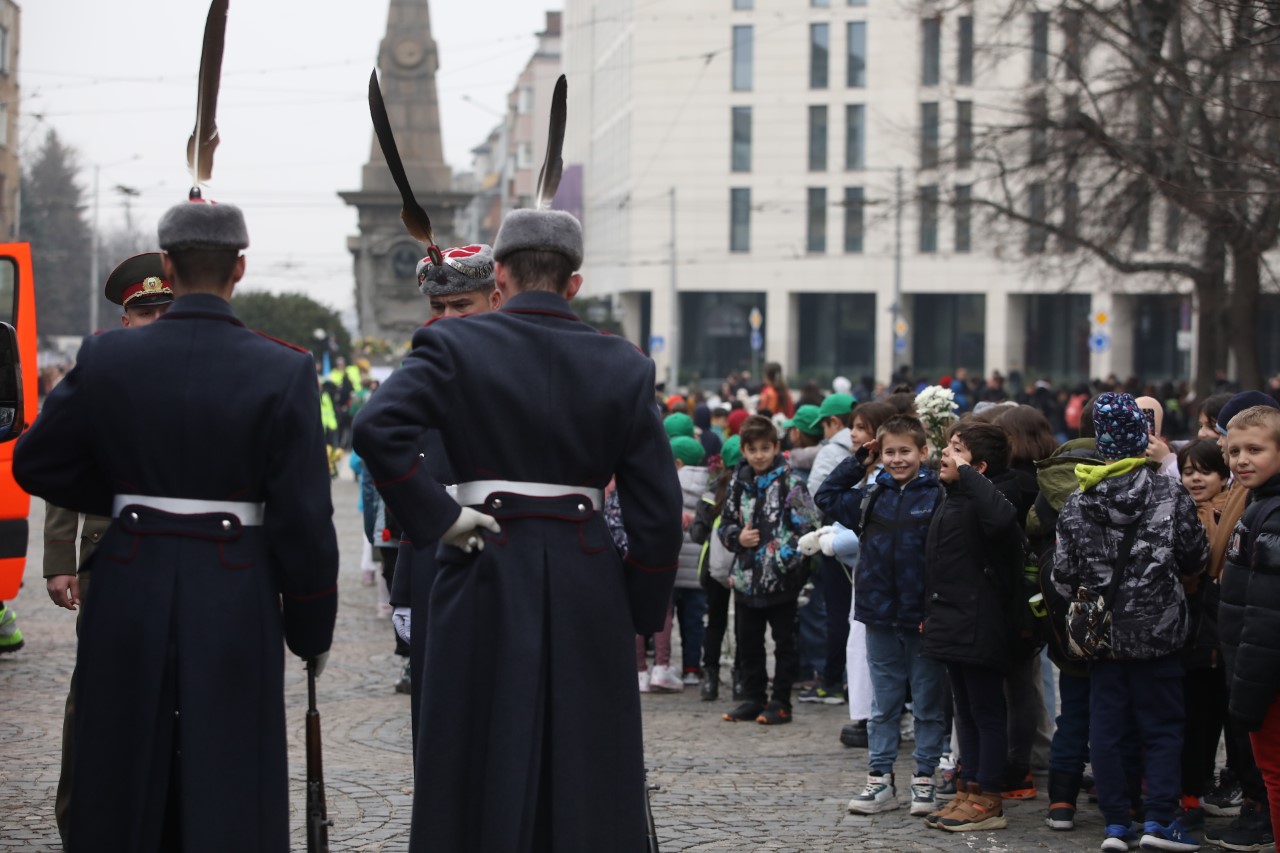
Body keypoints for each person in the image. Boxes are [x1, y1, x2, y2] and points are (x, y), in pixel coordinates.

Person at [352, 208, 684, 852]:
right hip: (587, 571)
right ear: (575, 283)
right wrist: (639, 606)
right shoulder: (624, 364)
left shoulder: (453, 343)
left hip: (479, 561)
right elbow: (656, 509)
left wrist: (440, 520)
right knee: (588, 759)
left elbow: (375, 431)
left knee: (472, 748)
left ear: (498, 276)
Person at [13, 200, 339, 851]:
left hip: (129, 577)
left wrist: (133, 497)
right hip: (236, 586)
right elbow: (305, 516)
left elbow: (36, 459)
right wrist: (309, 627)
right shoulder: (285, 367)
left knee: (118, 765)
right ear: (240, 267)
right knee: (233, 768)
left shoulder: (107, 358)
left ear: (167, 263)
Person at [44, 253, 175, 846]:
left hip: (180, 557)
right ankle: (80, 821)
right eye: (143, 312)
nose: (153, 319)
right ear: (125, 319)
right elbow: (57, 468)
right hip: (105, 557)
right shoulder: (96, 373)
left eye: (162, 309)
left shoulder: (198, 369)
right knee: (94, 697)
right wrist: (59, 561)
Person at [1050, 392, 1207, 853]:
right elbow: (1195, 556)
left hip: (1103, 638)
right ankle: (1159, 818)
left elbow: (1062, 575)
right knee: (1162, 727)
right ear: (1142, 437)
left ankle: (1116, 824)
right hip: (1160, 633)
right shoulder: (1167, 490)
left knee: (1107, 730)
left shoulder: (1080, 499)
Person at [386, 244, 502, 749]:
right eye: (438, 308)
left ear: (495, 299)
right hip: (437, 543)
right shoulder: (419, 373)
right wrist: (404, 587)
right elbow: (398, 470)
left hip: (507, 539)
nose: (448, 319)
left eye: (462, 305)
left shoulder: (518, 363)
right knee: (438, 706)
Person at [815, 414, 948, 819]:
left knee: (927, 703)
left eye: (905, 451)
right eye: (889, 452)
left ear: (923, 452)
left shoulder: (939, 495)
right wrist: (860, 460)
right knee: (884, 704)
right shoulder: (871, 495)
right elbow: (826, 495)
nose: (896, 459)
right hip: (879, 615)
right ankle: (880, 777)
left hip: (923, 616)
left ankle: (924, 776)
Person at [920, 421, 1022, 833]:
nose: (945, 454)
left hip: (980, 620)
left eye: (957, 450)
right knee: (964, 710)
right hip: (950, 618)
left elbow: (1002, 519)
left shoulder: (992, 497)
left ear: (977, 466)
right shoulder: (953, 496)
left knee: (986, 710)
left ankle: (989, 797)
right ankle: (968, 787)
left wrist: (965, 472)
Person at [717, 414, 820, 725]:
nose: (759, 455)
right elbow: (725, 524)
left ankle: (781, 700)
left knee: (784, 643)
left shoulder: (792, 481)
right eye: (753, 449)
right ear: (744, 451)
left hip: (782, 579)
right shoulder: (738, 483)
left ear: (776, 447)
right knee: (748, 642)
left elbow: (812, 523)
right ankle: (754, 696)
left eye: (765, 448)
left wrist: (781, 555)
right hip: (747, 578)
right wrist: (739, 538)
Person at [1220, 405, 1280, 851]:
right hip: (1258, 670)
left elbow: (1265, 617)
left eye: (1255, 450)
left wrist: (1246, 694)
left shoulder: (1272, 516)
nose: (1241, 459)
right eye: (1234, 450)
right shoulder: (1260, 504)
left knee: (1275, 774)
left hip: (1267, 678)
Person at [1177, 438, 1232, 830]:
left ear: (1223, 475)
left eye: (1204, 471)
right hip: (1190, 631)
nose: (1195, 478)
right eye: (1188, 471)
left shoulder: (1236, 512)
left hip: (1224, 631)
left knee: (1217, 715)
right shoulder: (1178, 513)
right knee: (1192, 716)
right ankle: (1189, 790)